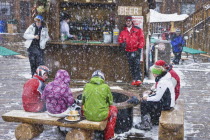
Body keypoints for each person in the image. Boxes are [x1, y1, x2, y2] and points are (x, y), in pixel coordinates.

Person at [135, 64, 175, 130]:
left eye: (153, 73)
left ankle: (146, 124)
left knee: (144, 102)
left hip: (167, 104)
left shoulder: (163, 81)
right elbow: (160, 93)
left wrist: (147, 98)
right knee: (148, 100)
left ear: (155, 73)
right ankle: (154, 120)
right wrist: (149, 95)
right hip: (168, 101)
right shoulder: (164, 77)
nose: (153, 74)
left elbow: (157, 98)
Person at [82, 70, 118, 140]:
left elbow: (83, 101)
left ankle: (87, 132)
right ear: (103, 78)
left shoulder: (86, 86)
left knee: (82, 107)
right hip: (101, 115)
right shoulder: (105, 87)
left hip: (88, 115)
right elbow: (110, 102)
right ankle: (109, 136)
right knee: (114, 109)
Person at [118, 16, 145, 86]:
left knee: (137, 65)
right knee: (131, 66)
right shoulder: (123, 31)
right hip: (128, 51)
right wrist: (122, 44)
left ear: (131, 21)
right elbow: (120, 39)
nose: (128, 22)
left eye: (129, 21)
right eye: (127, 21)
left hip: (136, 50)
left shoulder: (137, 29)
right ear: (125, 22)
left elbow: (141, 39)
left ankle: (138, 79)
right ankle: (134, 79)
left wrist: (139, 48)